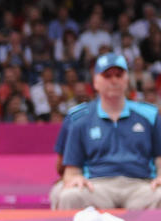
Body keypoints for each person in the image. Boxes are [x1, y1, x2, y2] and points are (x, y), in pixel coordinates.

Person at [50, 53, 161, 209]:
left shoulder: (150, 114)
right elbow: (70, 169)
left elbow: (159, 156)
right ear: (95, 81)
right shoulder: (79, 118)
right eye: (107, 75)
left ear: (127, 79)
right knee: (71, 195)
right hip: (97, 186)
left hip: (141, 186)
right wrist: (74, 178)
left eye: (119, 74)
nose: (113, 80)